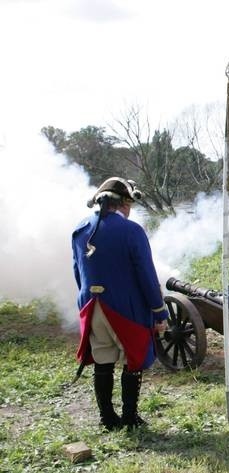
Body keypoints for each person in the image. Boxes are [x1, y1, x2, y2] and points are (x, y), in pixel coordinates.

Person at [72, 177, 169, 431]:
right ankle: (129, 417)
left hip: (92, 306)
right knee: (132, 358)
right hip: (126, 307)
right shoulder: (132, 230)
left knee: (103, 359)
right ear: (124, 203)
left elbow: (77, 272)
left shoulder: (79, 229)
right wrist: (159, 310)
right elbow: (146, 275)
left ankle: (107, 418)